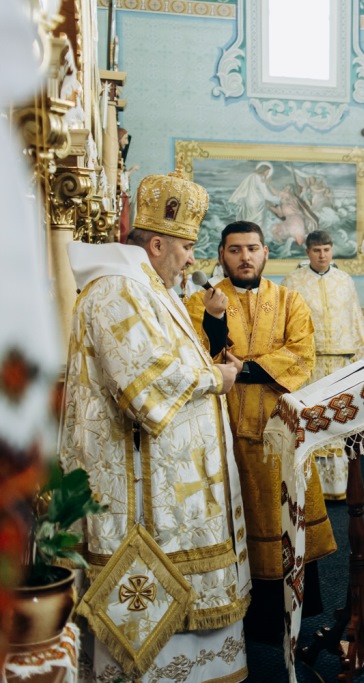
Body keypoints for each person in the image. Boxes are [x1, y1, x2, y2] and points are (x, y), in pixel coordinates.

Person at [61, 170, 250, 681]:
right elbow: (146, 386)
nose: (193, 258)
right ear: (158, 243)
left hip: (174, 487)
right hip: (143, 496)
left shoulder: (147, 286)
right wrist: (220, 377)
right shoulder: (118, 289)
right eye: (187, 246)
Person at [186, 221, 336, 643]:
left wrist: (245, 368)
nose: (244, 257)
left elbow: (301, 354)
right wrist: (218, 331)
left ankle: (290, 610)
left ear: (266, 252)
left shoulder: (289, 299)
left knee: (282, 509)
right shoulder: (200, 301)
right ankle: (235, 615)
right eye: (235, 250)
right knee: (233, 511)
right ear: (220, 255)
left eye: (252, 248)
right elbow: (197, 354)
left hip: (279, 427)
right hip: (223, 427)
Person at [281, 230, 364, 500]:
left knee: (338, 420)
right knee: (313, 422)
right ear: (307, 252)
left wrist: (363, 360)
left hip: (341, 361)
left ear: (332, 251)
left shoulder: (344, 280)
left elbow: (354, 316)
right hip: (310, 362)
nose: (322, 255)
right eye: (317, 250)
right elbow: (286, 322)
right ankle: (311, 488)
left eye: (326, 249)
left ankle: (339, 487)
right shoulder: (293, 281)